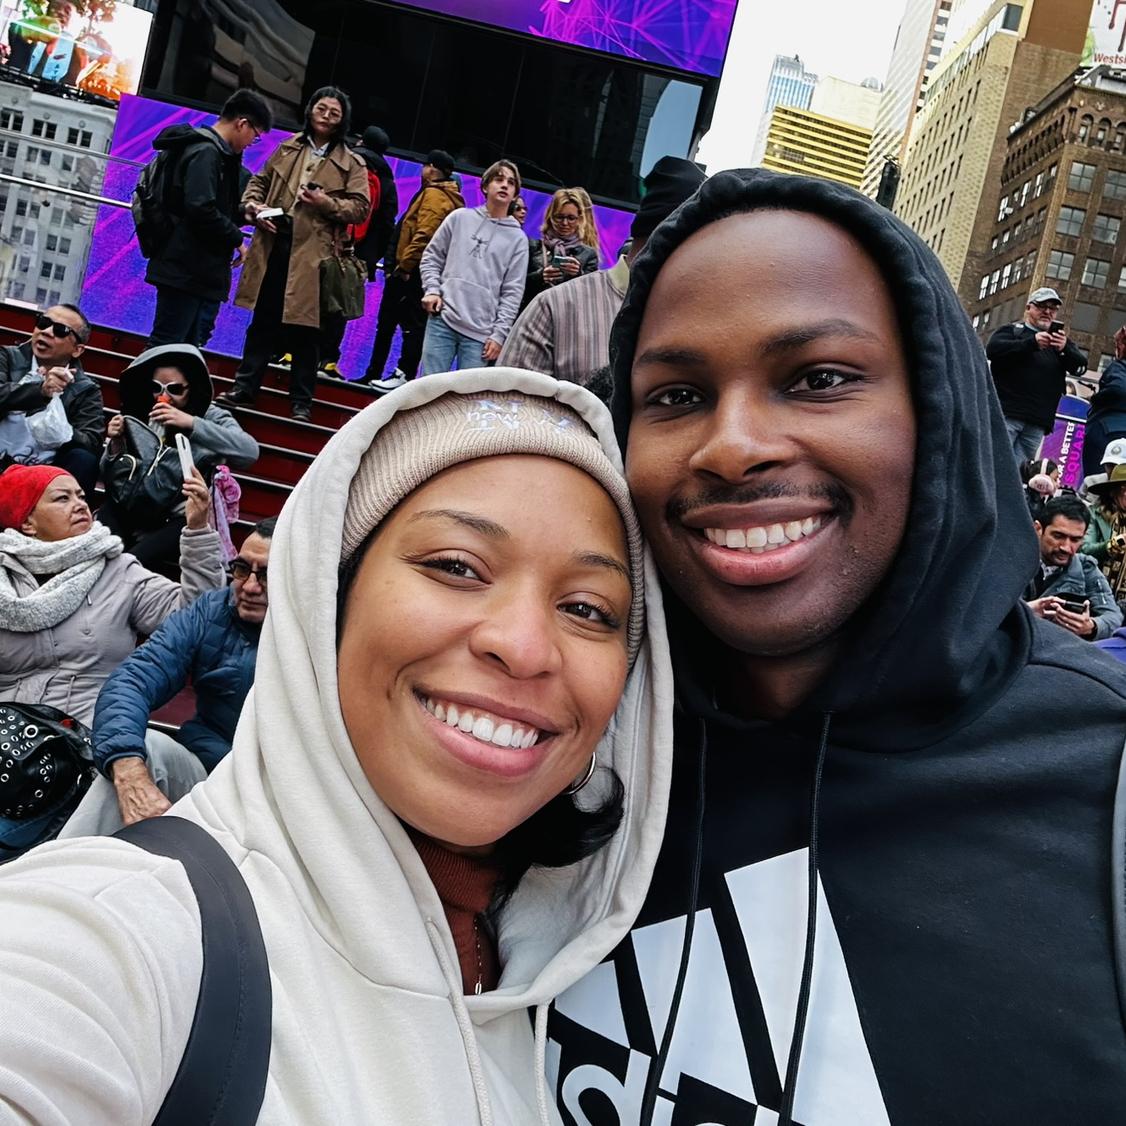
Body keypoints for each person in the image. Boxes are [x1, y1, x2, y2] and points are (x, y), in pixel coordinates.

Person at [545, 169, 1126, 1123]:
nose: (730, 446)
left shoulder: (1100, 788)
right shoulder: (562, 744)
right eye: (677, 394)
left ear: (942, 414)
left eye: (819, 379)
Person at [0, 368, 673, 1124]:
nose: (523, 646)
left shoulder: (595, 977)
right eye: (455, 566)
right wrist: (129, 767)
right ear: (327, 594)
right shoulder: (121, 935)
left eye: (588, 608)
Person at [0, 463, 222, 782]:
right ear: (27, 522)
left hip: (88, 744)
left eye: (80, 495)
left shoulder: (119, 571)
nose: (79, 504)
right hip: (8, 744)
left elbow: (197, 616)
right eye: (61, 499)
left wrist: (198, 530)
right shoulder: (3, 579)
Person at [59, 518, 275, 838]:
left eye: (267, 575)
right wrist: (128, 769)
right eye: (242, 569)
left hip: (283, 797)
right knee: (142, 751)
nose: (250, 586)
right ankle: (60, 877)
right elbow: (133, 680)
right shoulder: (213, 610)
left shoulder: (334, 631)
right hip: (211, 770)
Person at [217, 87, 369, 421]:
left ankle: (301, 401)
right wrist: (253, 207)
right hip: (276, 240)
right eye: (321, 107)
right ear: (310, 110)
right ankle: (245, 387)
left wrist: (325, 203)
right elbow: (259, 181)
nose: (326, 115)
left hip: (315, 255)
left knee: (308, 330)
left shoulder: (352, 163)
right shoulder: (287, 147)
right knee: (263, 321)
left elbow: (360, 208)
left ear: (343, 119)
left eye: (334, 111)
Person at [500, 157, 705, 385]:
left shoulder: (699, 323)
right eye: (560, 217)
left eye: (571, 218)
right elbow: (508, 411)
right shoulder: (553, 306)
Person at [99, 344, 259, 572]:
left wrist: (192, 423)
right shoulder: (139, 410)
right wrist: (114, 444)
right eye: (157, 388)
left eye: (174, 389)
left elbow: (249, 451)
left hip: (176, 516)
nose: (164, 397)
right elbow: (107, 472)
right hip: (128, 504)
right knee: (99, 549)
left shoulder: (211, 415)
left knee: (127, 564)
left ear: (191, 388)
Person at [144, 88, 273, 350]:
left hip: (191, 268)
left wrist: (244, 213)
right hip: (185, 267)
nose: (251, 142)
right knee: (165, 347)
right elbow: (200, 208)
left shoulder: (213, 152)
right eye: (255, 136)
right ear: (242, 123)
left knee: (182, 350)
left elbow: (210, 206)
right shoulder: (206, 152)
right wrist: (237, 239)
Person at [358, 149, 463, 387]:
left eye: (425, 165)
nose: (422, 170)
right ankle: (379, 373)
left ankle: (394, 374)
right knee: (401, 325)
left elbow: (424, 234)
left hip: (410, 273)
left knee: (401, 326)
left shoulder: (435, 196)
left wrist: (404, 265)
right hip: (415, 271)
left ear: (432, 168)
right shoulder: (443, 196)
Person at [419, 160, 528, 373]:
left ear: (515, 194)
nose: (504, 185)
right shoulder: (459, 218)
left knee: (467, 403)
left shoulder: (518, 240)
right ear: (486, 186)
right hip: (443, 319)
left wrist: (499, 334)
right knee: (427, 391)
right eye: (498, 179)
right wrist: (432, 290)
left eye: (511, 182)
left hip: (481, 335)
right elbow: (431, 257)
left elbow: (512, 292)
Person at [318, 125, 399, 378]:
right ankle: (328, 361)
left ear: (362, 141)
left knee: (312, 300)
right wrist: (370, 258)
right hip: (357, 254)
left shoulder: (345, 165)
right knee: (339, 307)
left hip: (326, 245)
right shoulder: (387, 182)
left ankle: (293, 353)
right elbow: (387, 224)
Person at [0, 304, 103, 498]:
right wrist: (40, 391)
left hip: (46, 474)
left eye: (60, 330)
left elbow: (92, 441)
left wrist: (60, 431)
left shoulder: (86, 389)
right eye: (43, 323)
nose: (46, 332)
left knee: (84, 459)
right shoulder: (7, 357)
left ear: (77, 350)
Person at [986, 286, 1088, 462]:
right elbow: (993, 350)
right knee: (994, 463)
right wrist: (1031, 343)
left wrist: (1064, 349)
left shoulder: (1060, 343)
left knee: (1017, 473)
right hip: (1007, 413)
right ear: (1028, 308)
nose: (1047, 312)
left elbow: (1080, 367)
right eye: (1042, 306)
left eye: (1053, 309)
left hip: (1038, 421)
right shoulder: (1013, 332)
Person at [1024, 495, 1122, 641]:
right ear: (1038, 529)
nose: (1066, 547)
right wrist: (1025, 612)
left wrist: (1092, 626)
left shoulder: (1086, 568)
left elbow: (1113, 617)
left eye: (1075, 540)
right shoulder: (1013, 563)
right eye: (1058, 536)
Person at [519, 188, 599, 311]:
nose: (565, 223)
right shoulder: (532, 246)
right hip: (532, 312)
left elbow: (591, 297)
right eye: (559, 217)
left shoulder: (588, 254)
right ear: (551, 217)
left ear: (579, 220)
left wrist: (578, 275)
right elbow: (516, 286)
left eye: (571, 218)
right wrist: (541, 276)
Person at [1083, 326, 1126, 478]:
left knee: (1098, 482)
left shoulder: (1119, 367)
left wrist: (1096, 399)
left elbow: (1118, 389)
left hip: (1109, 431)